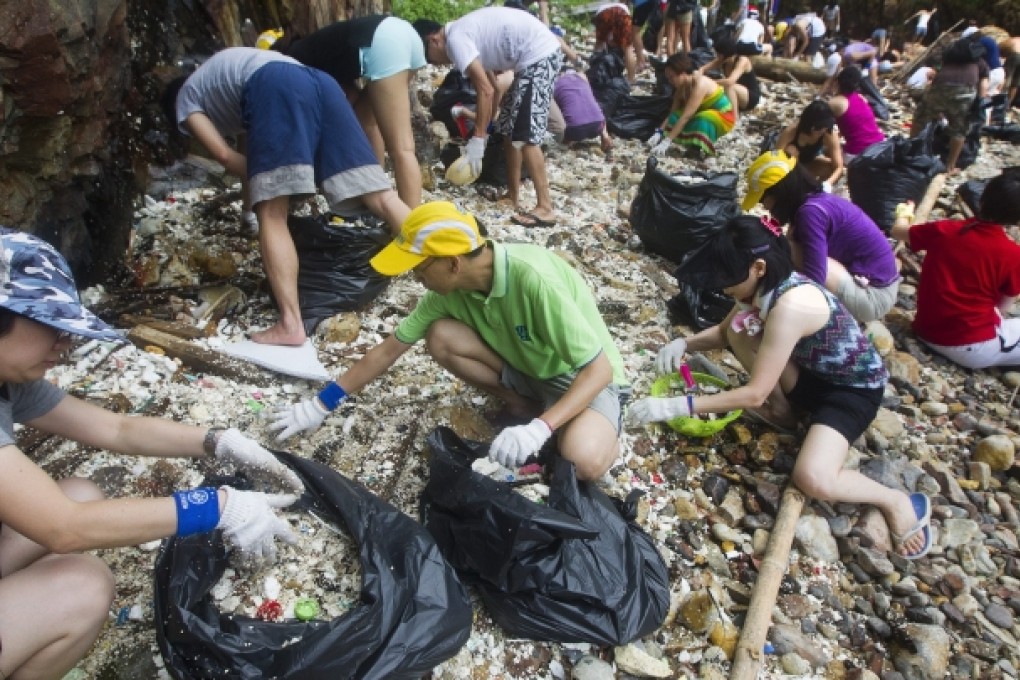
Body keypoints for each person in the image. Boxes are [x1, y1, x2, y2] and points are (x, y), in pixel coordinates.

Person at [0, 228, 302, 679]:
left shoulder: (10, 381)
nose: (64, 347)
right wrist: (218, 506)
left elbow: (117, 428)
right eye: (50, 326)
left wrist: (216, 439)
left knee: (81, 491)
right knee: (83, 588)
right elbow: (63, 529)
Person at [626, 215, 932, 560]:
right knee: (740, 329)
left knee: (812, 478)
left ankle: (895, 500)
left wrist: (675, 406)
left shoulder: (790, 305)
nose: (722, 287)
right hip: (811, 375)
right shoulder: (762, 288)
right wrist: (684, 345)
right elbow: (726, 331)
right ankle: (784, 413)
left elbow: (754, 392)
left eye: (727, 278)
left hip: (852, 391)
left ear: (757, 267)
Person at [270, 202, 632, 482]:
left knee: (580, 462)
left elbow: (597, 370)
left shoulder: (533, 279)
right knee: (441, 335)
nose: (415, 278)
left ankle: (599, 426)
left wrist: (540, 430)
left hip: (586, 379)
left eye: (420, 268)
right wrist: (319, 405)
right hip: (530, 370)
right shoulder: (446, 292)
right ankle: (524, 404)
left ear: (453, 264)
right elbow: (388, 351)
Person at [163, 47, 411, 346]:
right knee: (381, 194)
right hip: (322, 82)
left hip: (276, 86)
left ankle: (291, 324)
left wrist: (294, 184)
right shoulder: (226, 80)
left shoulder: (186, 98)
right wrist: (248, 209)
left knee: (272, 214)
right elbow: (253, 151)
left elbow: (225, 156)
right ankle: (443, 261)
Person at [415, 8, 563, 228]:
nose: (434, 64)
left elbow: (484, 90)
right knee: (509, 130)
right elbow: (492, 84)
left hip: (539, 55)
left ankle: (546, 207)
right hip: (529, 58)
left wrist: (478, 139)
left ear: (434, 40)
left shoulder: (456, 39)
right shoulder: (463, 32)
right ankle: (513, 196)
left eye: (429, 57)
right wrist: (495, 118)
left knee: (526, 135)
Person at [275, 16, 427, 208]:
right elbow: (349, 96)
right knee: (367, 120)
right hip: (406, 35)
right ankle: (379, 197)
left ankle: (412, 226)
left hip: (383, 43)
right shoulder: (313, 49)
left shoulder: (289, 63)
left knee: (402, 148)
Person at [742, 151, 900, 322]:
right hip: (881, 284)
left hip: (874, 297)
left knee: (790, 250)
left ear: (779, 192)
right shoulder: (816, 201)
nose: (764, 206)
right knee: (791, 245)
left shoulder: (811, 213)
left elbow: (815, 275)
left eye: (763, 199)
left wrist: (781, 312)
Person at [890, 170, 1020, 369]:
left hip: (926, 330)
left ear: (984, 197)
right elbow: (1002, 307)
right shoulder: (1012, 254)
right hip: (971, 347)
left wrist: (904, 213)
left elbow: (898, 231)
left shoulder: (946, 230)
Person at [910, 39, 989, 174]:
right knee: (959, 129)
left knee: (920, 119)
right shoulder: (980, 63)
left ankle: (910, 154)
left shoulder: (950, 59)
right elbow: (983, 84)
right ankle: (950, 167)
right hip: (964, 91)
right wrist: (980, 102)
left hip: (940, 86)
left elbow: (936, 77)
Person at [646, 53, 736, 157]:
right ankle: (691, 144)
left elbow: (686, 116)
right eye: (668, 78)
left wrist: (667, 142)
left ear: (683, 73)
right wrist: (659, 131)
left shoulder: (700, 84)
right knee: (675, 117)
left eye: (672, 77)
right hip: (703, 112)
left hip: (724, 116)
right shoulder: (681, 88)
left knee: (703, 118)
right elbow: (672, 113)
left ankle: (698, 149)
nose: (670, 81)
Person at [775, 100, 844, 189]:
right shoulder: (792, 131)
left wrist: (827, 184)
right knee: (791, 150)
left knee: (831, 168)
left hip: (809, 164)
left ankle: (816, 190)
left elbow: (838, 166)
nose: (820, 131)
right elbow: (775, 159)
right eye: (817, 128)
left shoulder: (828, 133)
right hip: (791, 168)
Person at [829, 66, 886, 158]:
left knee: (826, 150)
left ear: (838, 82)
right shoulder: (861, 98)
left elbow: (820, 127)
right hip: (880, 146)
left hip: (859, 153)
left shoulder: (835, 103)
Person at [552, 71, 614, 152]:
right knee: (592, 106)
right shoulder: (582, 77)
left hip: (575, 129)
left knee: (560, 111)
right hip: (598, 125)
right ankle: (605, 136)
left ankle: (566, 141)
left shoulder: (554, 84)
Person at [702, 36, 761, 121]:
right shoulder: (722, 60)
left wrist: (710, 82)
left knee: (730, 86)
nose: (717, 56)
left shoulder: (742, 60)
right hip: (736, 96)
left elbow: (730, 81)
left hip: (750, 97)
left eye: (718, 54)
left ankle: (734, 118)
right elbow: (703, 68)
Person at [593, 3, 637, 82]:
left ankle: (596, 72)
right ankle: (631, 79)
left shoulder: (601, 11)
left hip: (602, 13)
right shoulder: (625, 9)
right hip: (622, 13)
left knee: (599, 45)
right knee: (628, 48)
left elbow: (603, 43)